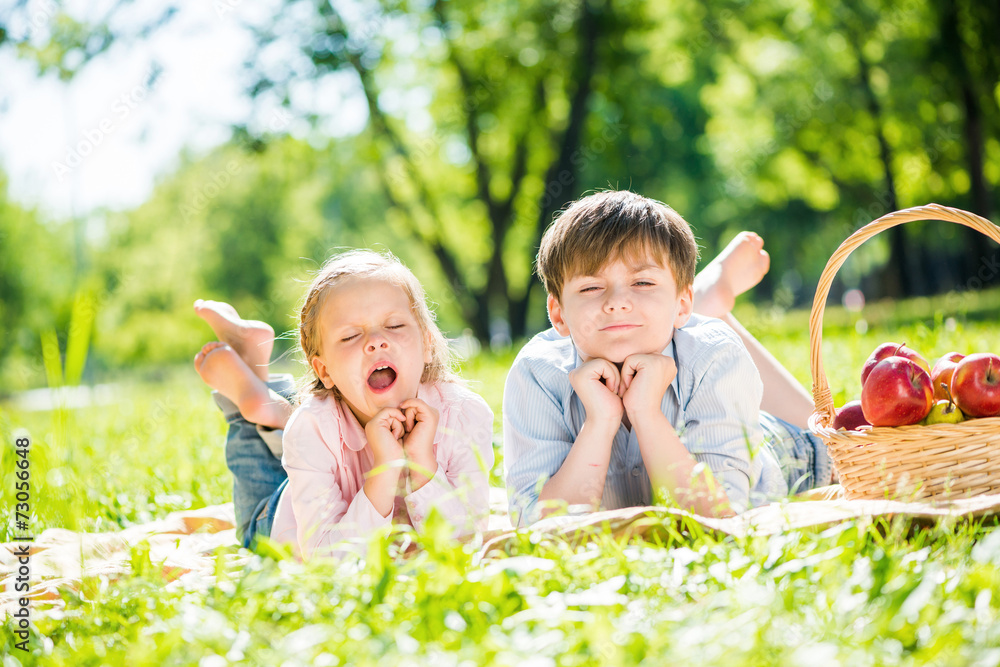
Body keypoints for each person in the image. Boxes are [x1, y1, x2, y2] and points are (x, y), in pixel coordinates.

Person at [503, 190, 833, 526]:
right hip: (684, 354)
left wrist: (646, 413)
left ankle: (705, 305)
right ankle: (704, 302)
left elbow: (719, 518)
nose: (617, 302)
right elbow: (538, 528)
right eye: (591, 287)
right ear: (557, 314)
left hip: (774, 445)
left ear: (681, 305)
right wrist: (599, 423)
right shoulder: (537, 373)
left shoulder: (714, 355)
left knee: (831, 434)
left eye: (643, 282)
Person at [193, 250, 495, 558]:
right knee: (252, 524)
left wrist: (422, 463)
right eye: (351, 336)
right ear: (324, 371)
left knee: (303, 437)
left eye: (394, 326)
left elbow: (464, 544)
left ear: (427, 343)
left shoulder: (464, 415)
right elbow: (329, 561)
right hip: (286, 520)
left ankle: (267, 397)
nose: (376, 341)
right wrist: (385, 469)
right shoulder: (312, 426)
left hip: (317, 460)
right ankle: (249, 397)